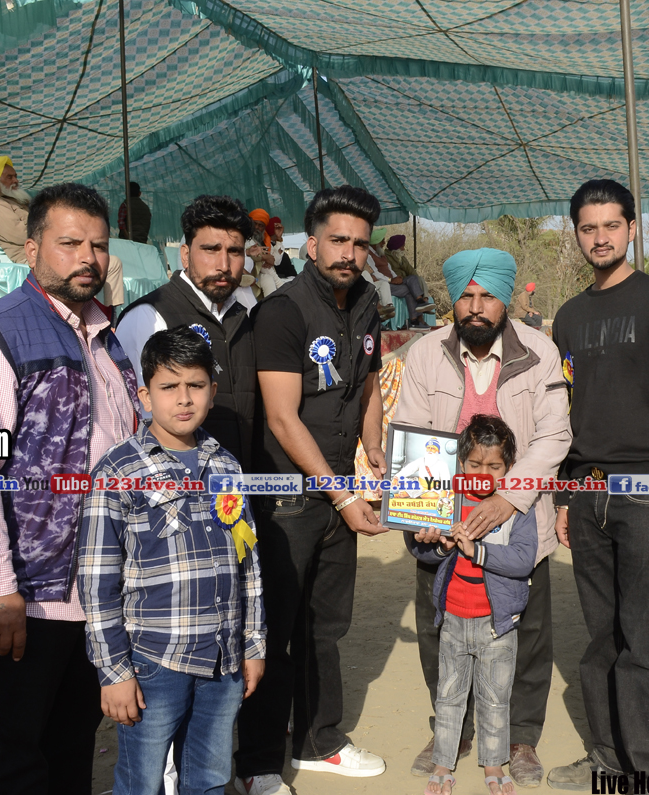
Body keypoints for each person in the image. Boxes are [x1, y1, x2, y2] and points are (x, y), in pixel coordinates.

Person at [0, 182, 140, 794]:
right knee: (13, 760)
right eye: (70, 243)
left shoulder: (107, 337)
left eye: (99, 246)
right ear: (31, 250)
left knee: (72, 750)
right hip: (25, 595)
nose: (88, 258)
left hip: (96, 591)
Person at [393, 247, 570, 788]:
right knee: (440, 628)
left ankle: (520, 738)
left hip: (519, 516)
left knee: (526, 632)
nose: (475, 306)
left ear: (505, 298)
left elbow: (554, 435)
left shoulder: (539, 351)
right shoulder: (425, 353)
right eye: (466, 296)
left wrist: (507, 500)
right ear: (453, 299)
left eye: (487, 295)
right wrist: (424, 513)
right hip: (445, 521)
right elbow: (411, 431)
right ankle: (453, 731)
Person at [546, 178, 649, 785]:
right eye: (588, 228)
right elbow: (566, 413)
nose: (600, 238)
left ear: (632, 229)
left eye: (612, 225)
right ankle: (608, 758)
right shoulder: (570, 316)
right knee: (600, 640)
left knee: (644, 640)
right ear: (576, 234)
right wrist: (566, 495)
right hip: (588, 492)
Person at [235, 185, 389, 795]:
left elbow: (369, 385)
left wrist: (375, 449)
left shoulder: (369, 302)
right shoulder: (283, 311)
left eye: (359, 243)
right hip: (290, 499)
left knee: (326, 626)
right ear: (311, 243)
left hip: (338, 489)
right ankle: (257, 762)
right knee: (273, 628)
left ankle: (319, 741)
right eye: (338, 240)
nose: (349, 253)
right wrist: (343, 497)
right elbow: (281, 418)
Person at [78, 326, 266, 795]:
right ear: (145, 396)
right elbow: (97, 582)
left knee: (209, 778)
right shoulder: (118, 470)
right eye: (168, 387)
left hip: (223, 658)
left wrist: (254, 644)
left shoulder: (226, 465)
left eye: (196, 385)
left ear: (212, 391)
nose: (184, 399)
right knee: (141, 781)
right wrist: (114, 672)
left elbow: (248, 564)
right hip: (154, 662)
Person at [407, 415, 538, 795]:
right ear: (460, 463)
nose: (483, 474)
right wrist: (437, 546)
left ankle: (493, 766)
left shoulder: (517, 508)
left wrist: (476, 551)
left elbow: (523, 560)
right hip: (452, 619)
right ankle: (443, 764)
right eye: (475, 464)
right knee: (448, 697)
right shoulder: (445, 499)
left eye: (494, 466)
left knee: (495, 700)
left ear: (509, 467)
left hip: (498, 626)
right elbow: (420, 550)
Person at [116, 195, 258, 463]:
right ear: (185, 254)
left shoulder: (243, 316)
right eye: (211, 249)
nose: (224, 265)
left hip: (238, 481)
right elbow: (133, 419)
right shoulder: (148, 315)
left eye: (234, 251)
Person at [370, 227, 432, 328]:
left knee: (413, 278)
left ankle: (419, 306)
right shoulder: (369, 255)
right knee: (410, 289)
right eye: (382, 241)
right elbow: (375, 273)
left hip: (394, 281)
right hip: (384, 284)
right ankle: (415, 318)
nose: (384, 243)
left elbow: (390, 269)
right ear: (376, 243)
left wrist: (396, 277)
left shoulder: (381, 254)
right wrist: (391, 280)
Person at [0, 155, 33, 264]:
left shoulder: (17, 201)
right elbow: (21, 235)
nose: (16, 180)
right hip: (29, 258)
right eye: (9, 177)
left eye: (15, 176)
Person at [248, 208, 287, 296]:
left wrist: (278, 239)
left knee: (268, 278)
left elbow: (276, 262)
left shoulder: (265, 240)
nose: (257, 227)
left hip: (263, 276)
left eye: (260, 225)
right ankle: (283, 288)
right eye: (255, 224)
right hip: (249, 275)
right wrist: (264, 257)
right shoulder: (244, 238)